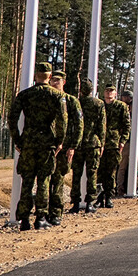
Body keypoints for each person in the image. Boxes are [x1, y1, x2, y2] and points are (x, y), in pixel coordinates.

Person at [10, 62, 67, 229]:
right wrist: (59, 142)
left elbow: (12, 118)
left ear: (36, 76)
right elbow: (63, 121)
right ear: (49, 77)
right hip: (47, 143)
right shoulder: (56, 96)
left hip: (28, 142)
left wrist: (18, 139)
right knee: (44, 181)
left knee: (26, 181)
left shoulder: (25, 95)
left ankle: (24, 218)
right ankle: (40, 217)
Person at [46, 72, 82, 223]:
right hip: (47, 145)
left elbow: (79, 125)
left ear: (64, 82)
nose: (54, 83)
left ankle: (56, 212)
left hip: (64, 147)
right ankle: (45, 210)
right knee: (45, 179)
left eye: (57, 80)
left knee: (58, 179)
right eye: (52, 80)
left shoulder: (71, 101)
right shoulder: (46, 99)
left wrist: (73, 146)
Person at [72, 77, 105, 212]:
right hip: (93, 143)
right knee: (92, 173)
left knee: (76, 174)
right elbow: (102, 126)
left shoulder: (76, 103)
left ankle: (75, 202)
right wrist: (102, 143)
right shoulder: (98, 104)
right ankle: (90, 202)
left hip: (78, 143)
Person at [97, 86, 130, 206]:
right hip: (100, 142)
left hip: (114, 143)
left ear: (115, 93)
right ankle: (99, 197)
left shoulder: (121, 106)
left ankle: (109, 197)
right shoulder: (99, 105)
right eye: (107, 90)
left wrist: (122, 141)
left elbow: (127, 125)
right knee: (100, 171)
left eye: (111, 91)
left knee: (111, 171)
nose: (109, 93)